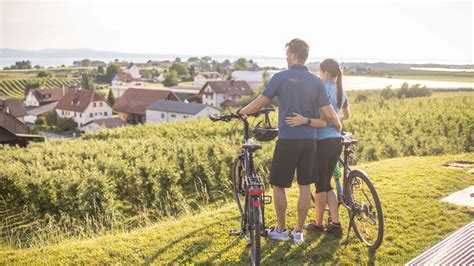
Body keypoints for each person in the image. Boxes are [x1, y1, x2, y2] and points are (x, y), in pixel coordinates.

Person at [238, 39, 342, 243]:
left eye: (287, 55)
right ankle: (298, 232)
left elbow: (260, 102)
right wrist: (338, 125)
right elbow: (330, 114)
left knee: (279, 185)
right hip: (310, 141)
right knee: (305, 186)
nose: (286, 58)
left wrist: (240, 112)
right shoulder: (317, 82)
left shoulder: (281, 77)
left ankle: (281, 229)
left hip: (288, 140)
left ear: (293, 55)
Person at [285, 58, 350, 236]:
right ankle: (334, 223)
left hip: (321, 142)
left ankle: (320, 223)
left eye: (320, 72)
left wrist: (323, 122)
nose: (319, 75)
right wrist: (337, 123)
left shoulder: (320, 89)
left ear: (326, 73)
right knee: (326, 184)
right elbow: (346, 115)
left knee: (321, 185)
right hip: (335, 141)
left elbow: (323, 116)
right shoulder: (341, 91)